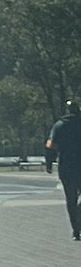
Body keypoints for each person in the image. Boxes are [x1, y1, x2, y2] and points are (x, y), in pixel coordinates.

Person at [45, 98, 81, 240]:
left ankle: (76, 230)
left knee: (70, 199)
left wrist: (49, 163)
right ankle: (79, 215)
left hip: (66, 168)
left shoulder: (59, 126)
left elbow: (50, 146)